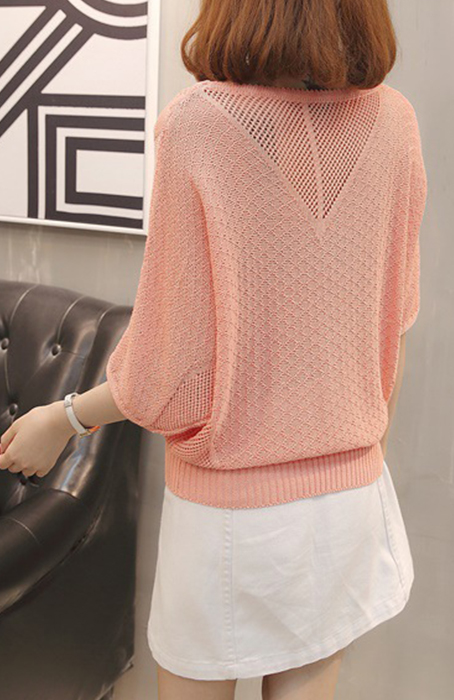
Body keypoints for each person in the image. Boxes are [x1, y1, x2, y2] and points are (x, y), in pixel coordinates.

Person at [0, 0, 428, 697]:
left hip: (234, 514)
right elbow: (394, 323)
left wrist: (65, 417)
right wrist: (353, 452)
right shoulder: (396, 121)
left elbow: (167, 372)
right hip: (350, 494)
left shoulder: (200, 123)